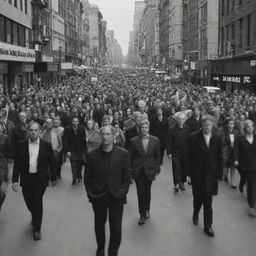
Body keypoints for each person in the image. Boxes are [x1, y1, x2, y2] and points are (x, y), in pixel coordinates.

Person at [84, 125, 131, 256]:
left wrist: (122, 192)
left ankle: (113, 251)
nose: (104, 137)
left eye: (107, 134)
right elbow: (87, 177)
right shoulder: (92, 154)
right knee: (99, 225)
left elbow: (127, 176)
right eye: (102, 134)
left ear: (114, 136)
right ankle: (100, 248)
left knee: (116, 227)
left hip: (116, 196)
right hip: (98, 197)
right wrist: (91, 194)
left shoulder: (123, 154)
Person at [12, 122, 57, 241]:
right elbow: (17, 164)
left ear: (39, 131)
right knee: (28, 201)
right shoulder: (20, 145)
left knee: (37, 202)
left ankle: (37, 229)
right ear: (27, 131)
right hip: (26, 179)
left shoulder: (46, 145)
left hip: (40, 179)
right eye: (31, 130)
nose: (33, 132)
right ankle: (34, 214)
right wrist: (15, 180)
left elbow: (51, 162)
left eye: (36, 130)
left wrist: (53, 178)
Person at [189, 115, 223, 237]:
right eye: (205, 125)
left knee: (208, 202)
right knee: (198, 199)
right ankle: (195, 212)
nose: (207, 127)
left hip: (211, 175)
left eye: (209, 125)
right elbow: (189, 157)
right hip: (197, 175)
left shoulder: (217, 138)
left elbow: (220, 156)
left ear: (212, 125)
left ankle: (207, 226)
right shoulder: (193, 138)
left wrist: (220, 172)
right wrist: (188, 174)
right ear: (201, 125)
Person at [129, 120, 161, 225]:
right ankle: (142, 214)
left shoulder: (155, 140)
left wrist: (156, 168)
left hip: (150, 170)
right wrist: (131, 171)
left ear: (149, 128)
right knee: (140, 192)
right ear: (139, 129)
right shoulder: (133, 141)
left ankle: (147, 209)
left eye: (146, 127)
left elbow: (157, 156)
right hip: (138, 170)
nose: (144, 129)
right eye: (142, 127)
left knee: (147, 192)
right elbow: (130, 157)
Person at [234, 120, 256, 217]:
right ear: (245, 128)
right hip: (245, 166)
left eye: (252, 126)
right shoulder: (240, 138)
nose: (250, 128)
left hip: (255, 164)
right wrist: (236, 160)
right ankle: (251, 206)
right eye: (248, 126)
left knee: (253, 185)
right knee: (251, 185)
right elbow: (236, 150)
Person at [167, 113, 190, 192]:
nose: (181, 121)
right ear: (177, 120)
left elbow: (190, 139)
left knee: (184, 167)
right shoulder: (172, 129)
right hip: (176, 152)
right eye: (180, 119)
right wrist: (169, 152)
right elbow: (169, 141)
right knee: (176, 167)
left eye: (183, 119)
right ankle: (176, 184)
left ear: (185, 120)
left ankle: (182, 182)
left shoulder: (187, 128)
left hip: (185, 152)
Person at [63, 117, 87, 185]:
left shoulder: (82, 129)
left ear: (78, 122)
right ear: (72, 122)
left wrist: (83, 150)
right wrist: (67, 150)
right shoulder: (67, 129)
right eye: (74, 121)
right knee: (73, 165)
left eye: (76, 121)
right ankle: (74, 177)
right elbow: (65, 140)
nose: (75, 122)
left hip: (80, 150)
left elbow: (84, 140)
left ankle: (79, 175)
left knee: (79, 165)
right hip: (71, 150)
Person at [220, 117, 239, 188]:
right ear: (227, 125)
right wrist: (224, 153)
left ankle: (232, 182)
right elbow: (222, 143)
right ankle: (225, 175)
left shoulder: (236, 132)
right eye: (230, 124)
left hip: (234, 153)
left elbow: (238, 143)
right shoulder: (223, 133)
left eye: (233, 124)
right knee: (226, 168)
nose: (232, 125)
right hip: (226, 152)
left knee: (233, 168)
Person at [0, 122, 13, 212]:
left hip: (2, 167)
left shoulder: (5, 138)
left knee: (2, 192)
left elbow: (10, 154)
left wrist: (9, 170)